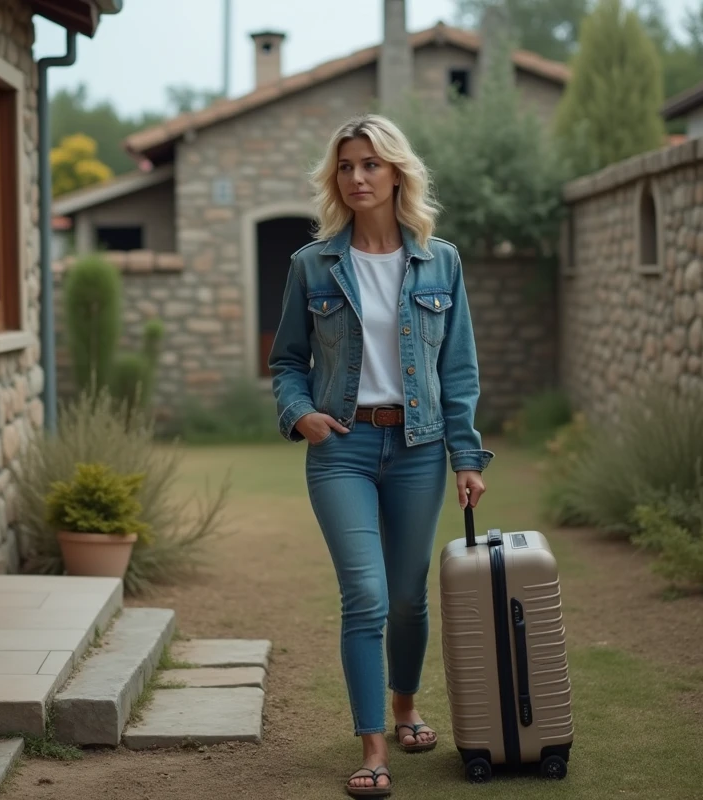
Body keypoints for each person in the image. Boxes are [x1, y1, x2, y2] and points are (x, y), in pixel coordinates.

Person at [268, 113, 493, 798]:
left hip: (421, 447)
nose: (357, 177)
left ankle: (405, 705)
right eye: (346, 166)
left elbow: (458, 369)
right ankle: (372, 746)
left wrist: (466, 456)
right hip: (343, 447)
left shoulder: (440, 259)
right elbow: (285, 361)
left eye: (370, 164)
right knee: (364, 595)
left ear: (397, 172)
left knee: (406, 597)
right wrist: (298, 411)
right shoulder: (312, 264)